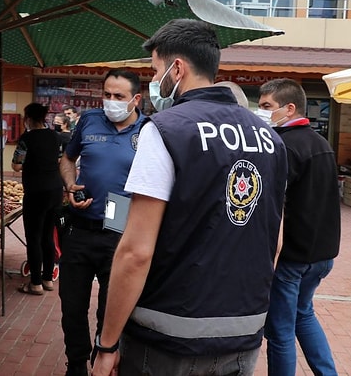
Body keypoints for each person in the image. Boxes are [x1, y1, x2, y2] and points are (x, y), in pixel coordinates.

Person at [92, 19, 287, 376]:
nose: (154, 81)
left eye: (155, 70)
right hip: (243, 330)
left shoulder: (166, 130)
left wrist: (107, 343)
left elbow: (136, 252)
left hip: (169, 336)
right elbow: (274, 240)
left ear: (177, 68)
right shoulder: (270, 138)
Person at [59, 69, 144, 376]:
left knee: (110, 308)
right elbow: (68, 159)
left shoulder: (147, 131)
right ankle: (77, 364)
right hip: (79, 228)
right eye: (106, 94)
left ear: (135, 99)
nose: (110, 102)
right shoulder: (89, 120)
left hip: (119, 230)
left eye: (118, 97)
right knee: (72, 306)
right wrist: (70, 186)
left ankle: (103, 359)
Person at [257, 78, 340, 376]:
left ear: (289, 108)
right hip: (322, 255)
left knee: (279, 331)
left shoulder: (282, 146)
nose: (262, 113)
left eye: (267, 106)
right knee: (304, 314)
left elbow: (272, 204)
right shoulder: (320, 142)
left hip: (292, 257)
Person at [12, 103, 63, 295]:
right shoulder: (55, 136)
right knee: (48, 235)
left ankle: (35, 283)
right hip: (55, 190)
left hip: (36, 192)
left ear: (29, 118)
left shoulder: (27, 138)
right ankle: (47, 279)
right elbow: (58, 160)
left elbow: (16, 166)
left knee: (34, 237)